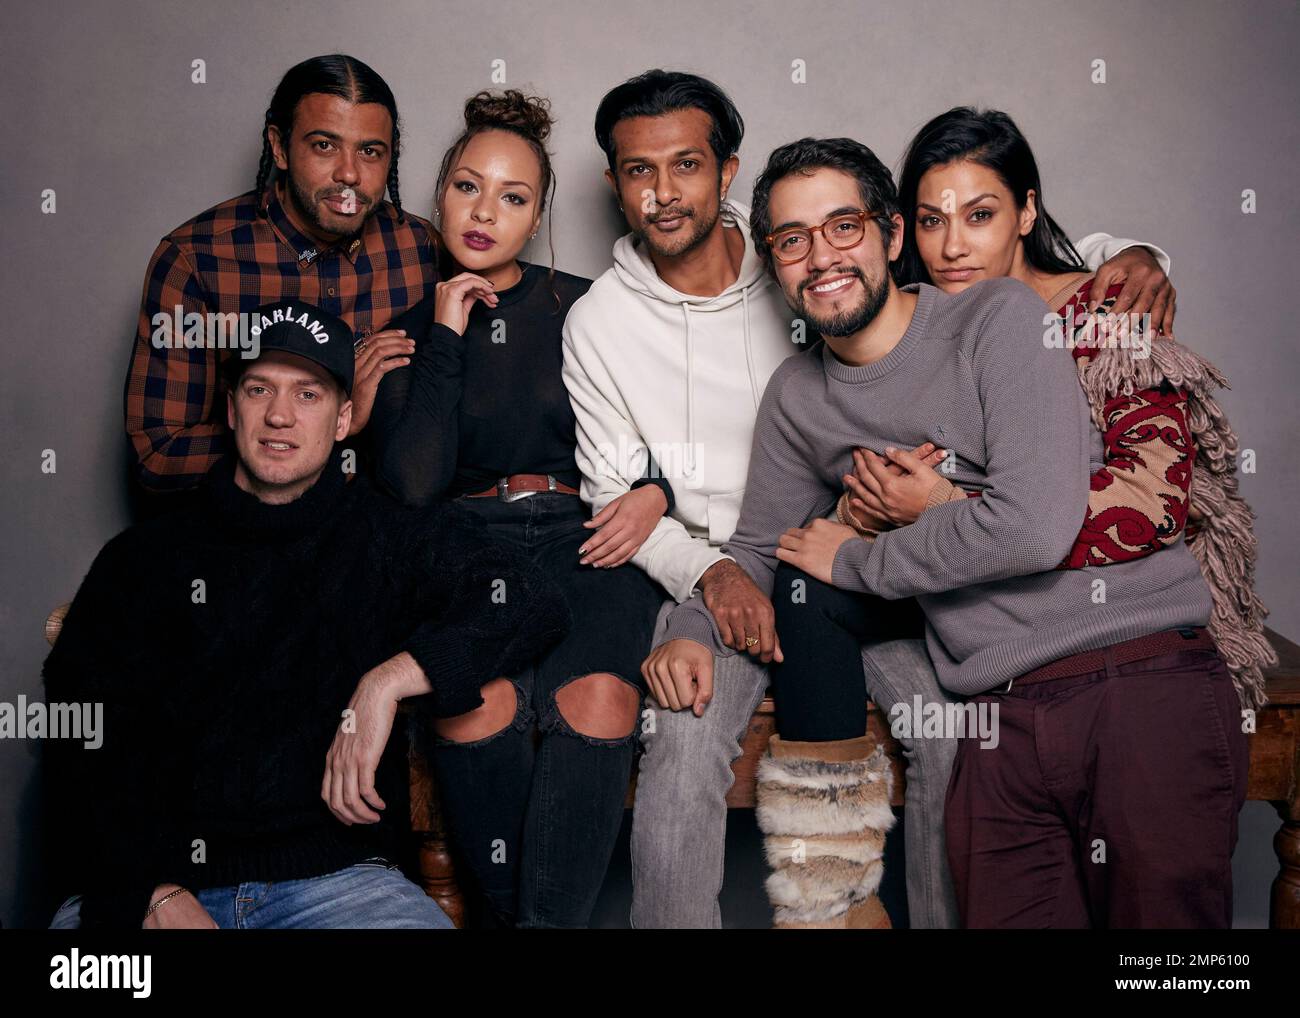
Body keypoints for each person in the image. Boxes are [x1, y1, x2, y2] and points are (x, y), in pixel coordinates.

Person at [562, 68, 1179, 929]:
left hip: (1074, 641)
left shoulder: (991, 317)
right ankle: (831, 907)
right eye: (794, 243)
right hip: (788, 591)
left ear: (891, 237)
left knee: (958, 741)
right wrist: (709, 605)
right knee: (706, 701)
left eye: (843, 229)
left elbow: (1033, 513)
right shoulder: (755, 377)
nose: (819, 258)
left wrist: (1138, 252)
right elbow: (750, 541)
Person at [45, 299, 567, 929]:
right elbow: (79, 739)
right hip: (155, 886)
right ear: (231, 405)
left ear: (345, 417)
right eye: (259, 388)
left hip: (339, 887)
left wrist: (389, 680)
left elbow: (529, 597)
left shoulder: (385, 534)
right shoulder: (142, 560)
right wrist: (145, 890)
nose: (280, 416)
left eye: (309, 394)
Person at [369, 90, 669, 928]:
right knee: (478, 700)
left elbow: (673, 432)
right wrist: (444, 337)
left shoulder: (591, 304)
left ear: (537, 216)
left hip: (588, 535)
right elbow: (417, 486)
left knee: (600, 697)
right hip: (466, 541)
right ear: (438, 196)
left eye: (511, 197)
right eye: (467, 187)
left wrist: (659, 493)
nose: (483, 212)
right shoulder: (408, 333)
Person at [861, 106, 1273, 712]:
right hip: (987, 664)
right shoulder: (915, 328)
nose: (952, 247)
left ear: (1026, 211)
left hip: (1128, 655)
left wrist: (945, 509)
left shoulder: (1106, 317)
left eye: (980, 216)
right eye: (931, 221)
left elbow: (1153, 501)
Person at [124, 54, 436, 494]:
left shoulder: (419, 250)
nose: (349, 173)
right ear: (279, 146)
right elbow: (160, 455)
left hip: (385, 529)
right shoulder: (199, 259)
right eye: (324, 145)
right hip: (246, 540)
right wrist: (329, 426)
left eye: (369, 151)